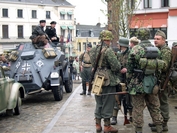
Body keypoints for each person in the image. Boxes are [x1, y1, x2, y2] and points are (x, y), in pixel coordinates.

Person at [127, 28, 164, 133]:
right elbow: (159, 68)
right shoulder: (156, 49)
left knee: (138, 108)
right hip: (152, 82)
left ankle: (138, 130)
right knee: (154, 107)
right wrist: (156, 81)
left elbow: (129, 68)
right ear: (149, 36)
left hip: (137, 83)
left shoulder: (135, 49)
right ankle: (159, 128)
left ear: (138, 37)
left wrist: (129, 82)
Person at [89, 30, 121, 133]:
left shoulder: (93, 49)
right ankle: (107, 126)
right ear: (108, 39)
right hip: (107, 79)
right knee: (108, 102)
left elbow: (93, 63)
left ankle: (98, 124)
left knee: (99, 101)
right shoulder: (108, 50)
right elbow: (116, 66)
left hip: (97, 77)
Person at [150, 30, 172, 132]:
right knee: (157, 102)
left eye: (158, 39)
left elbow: (165, 66)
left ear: (163, 40)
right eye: (154, 39)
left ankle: (164, 123)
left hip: (164, 81)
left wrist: (152, 62)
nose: (155, 41)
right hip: (158, 80)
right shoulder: (158, 49)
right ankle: (158, 120)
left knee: (163, 102)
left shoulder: (166, 51)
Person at [111, 37, 132, 125]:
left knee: (129, 99)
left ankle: (131, 116)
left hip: (129, 80)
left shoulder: (131, 54)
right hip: (119, 79)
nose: (118, 45)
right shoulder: (119, 54)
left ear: (123, 45)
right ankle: (114, 117)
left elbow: (134, 66)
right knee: (117, 98)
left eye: (119, 44)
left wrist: (127, 69)